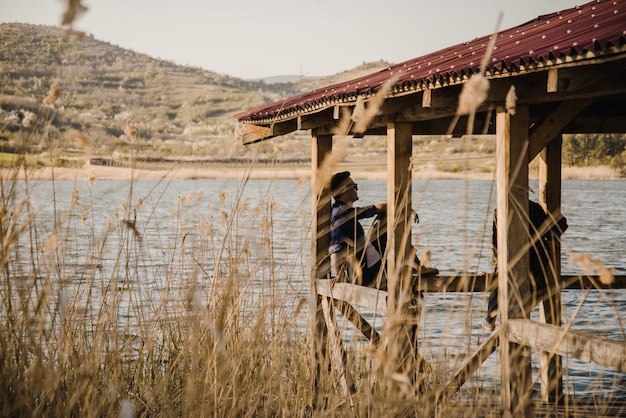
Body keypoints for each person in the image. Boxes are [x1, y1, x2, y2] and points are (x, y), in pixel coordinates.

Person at [329, 171, 436, 289]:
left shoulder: (343, 211)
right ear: (345, 189)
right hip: (371, 273)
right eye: (355, 186)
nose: (357, 190)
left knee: (387, 215)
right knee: (389, 216)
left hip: (371, 264)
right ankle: (415, 266)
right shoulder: (342, 217)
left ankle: (414, 264)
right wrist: (339, 276)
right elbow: (335, 248)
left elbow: (374, 208)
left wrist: (405, 208)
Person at [482, 200, 568, 331]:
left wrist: (496, 267)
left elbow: (496, 243)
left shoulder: (501, 209)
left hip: (512, 260)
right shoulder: (535, 209)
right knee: (536, 288)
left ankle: (490, 318)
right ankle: (516, 312)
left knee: (500, 281)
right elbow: (553, 232)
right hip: (537, 262)